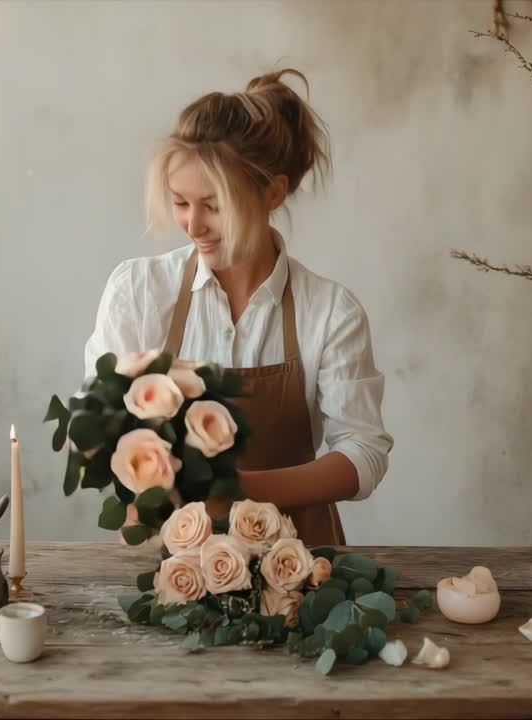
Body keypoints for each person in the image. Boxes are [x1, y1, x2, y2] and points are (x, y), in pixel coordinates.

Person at [84, 69, 392, 546]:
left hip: (299, 563)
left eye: (214, 205)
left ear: (273, 192)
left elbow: (364, 452)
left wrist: (239, 493)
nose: (193, 225)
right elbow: (96, 426)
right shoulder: (140, 291)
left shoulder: (330, 312)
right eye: (181, 202)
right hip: (169, 558)